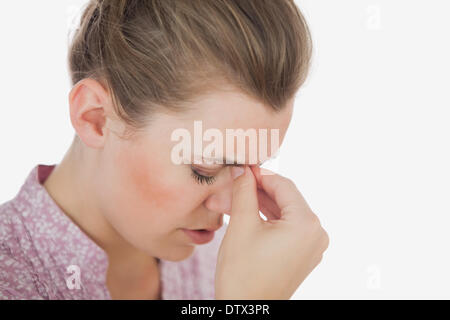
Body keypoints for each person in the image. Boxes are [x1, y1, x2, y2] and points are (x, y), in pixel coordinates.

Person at [0, 0, 328, 299]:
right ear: (97, 119)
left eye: (248, 170)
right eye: (205, 168)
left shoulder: (227, 264)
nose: (231, 206)